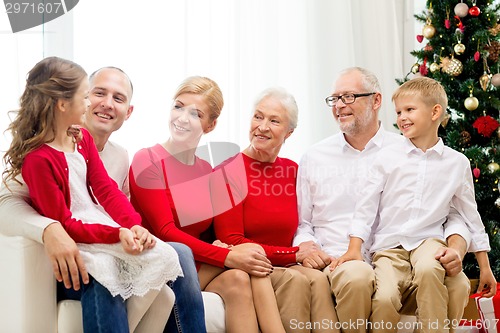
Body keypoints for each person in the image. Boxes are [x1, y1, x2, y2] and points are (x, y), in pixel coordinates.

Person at [0, 64, 206, 333]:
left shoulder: (109, 151)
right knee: (103, 276)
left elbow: (110, 192)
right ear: (66, 103)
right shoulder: (39, 157)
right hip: (76, 250)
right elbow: (9, 205)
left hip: (105, 238)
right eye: (95, 94)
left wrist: (133, 226)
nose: (104, 104)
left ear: (129, 111)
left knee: (177, 254)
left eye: (118, 98)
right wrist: (49, 230)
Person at [293, 67, 472, 333]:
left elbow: (453, 211)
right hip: (342, 259)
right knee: (357, 276)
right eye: (335, 99)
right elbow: (302, 222)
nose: (339, 106)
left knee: (459, 283)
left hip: (404, 259)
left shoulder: (409, 149)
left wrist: (456, 248)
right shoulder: (315, 157)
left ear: (376, 101)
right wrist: (306, 245)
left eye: (349, 97)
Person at [337, 76, 496, 333]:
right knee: (385, 297)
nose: (402, 117)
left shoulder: (456, 163)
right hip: (389, 247)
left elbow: (469, 215)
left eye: (410, 110)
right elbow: (365, 206)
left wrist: (484, 266)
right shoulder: (386, 158)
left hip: (428, 241)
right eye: (399, 112)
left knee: (430, 270)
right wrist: (355, 247)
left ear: (435, 112)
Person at [129, 76, 282, 333]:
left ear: (210, 125)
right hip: (161, 263)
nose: (182, 118)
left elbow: (205, 232)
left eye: (196, 114)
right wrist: (228, 255)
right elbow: (166, 232)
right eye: (178, 106)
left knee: (239, 279)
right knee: (244, 264)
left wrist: (220, 247)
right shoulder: (148, 160)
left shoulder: (206, 170)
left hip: (194, 266)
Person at [211, 87, 340, 333]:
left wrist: (309, 250)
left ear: (289, 132)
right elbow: (231, 240)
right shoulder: (229, 171)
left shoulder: (293, 170)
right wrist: (294, 254)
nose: (262, 126)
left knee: (319, 280)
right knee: (296, 281)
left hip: (284, 261)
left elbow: (308, 222)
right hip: (250, 266)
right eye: (258, 117)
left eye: (274, 120)